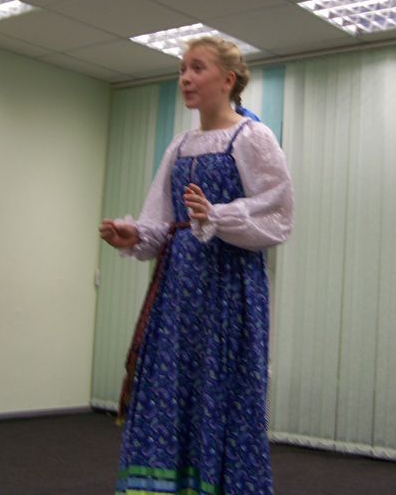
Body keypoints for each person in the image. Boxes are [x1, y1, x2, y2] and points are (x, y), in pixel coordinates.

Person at [99, 36, 294, 495]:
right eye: (182, 69)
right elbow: (160, 220)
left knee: (219, 388)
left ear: (227, 80)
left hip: (228, 287)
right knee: (172, 386)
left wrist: (218, 216)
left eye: (197, 68)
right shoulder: (180, 146)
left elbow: (278, 213)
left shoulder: (253, 137)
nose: (185, 78)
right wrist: (136, 235)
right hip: (179, 288)